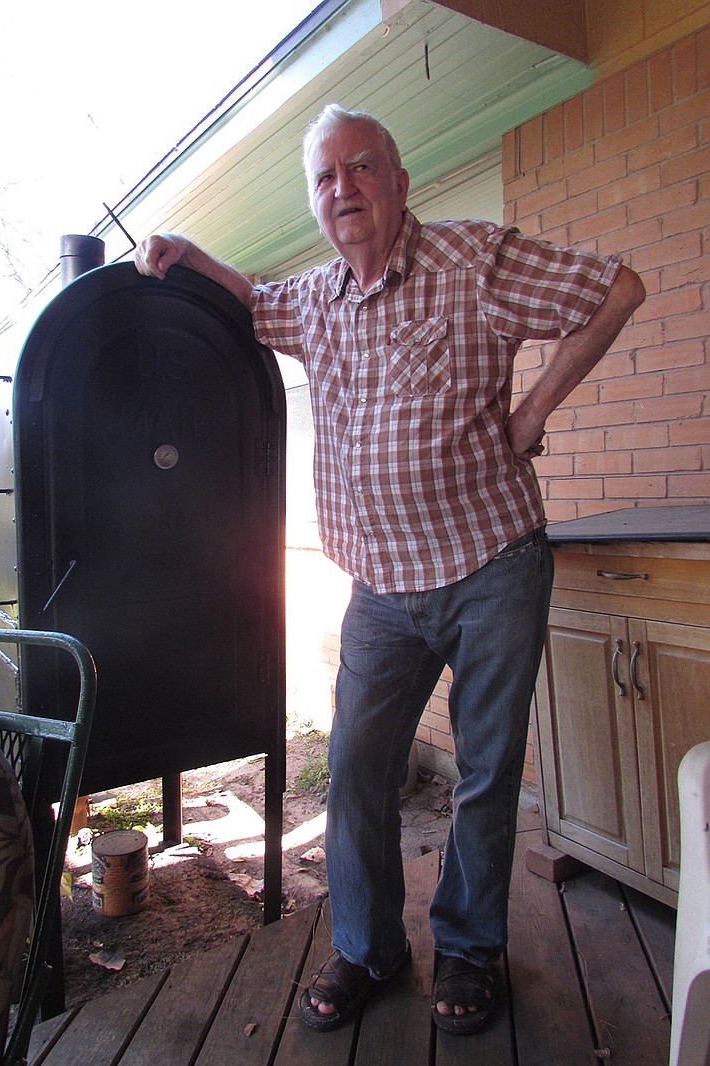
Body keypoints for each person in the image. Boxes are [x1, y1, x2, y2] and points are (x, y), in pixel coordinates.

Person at [135, 103, 646, 1036]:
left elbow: (617, 288)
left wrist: (532, 412)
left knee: (485, 776)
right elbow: (249, 302)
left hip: (494, 565)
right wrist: (186, 251)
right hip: (380, 586)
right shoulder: (317, 302)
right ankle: (370, 946)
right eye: (326, 178)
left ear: (400, 182)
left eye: (361, 167)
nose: (344, 189)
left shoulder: (472, 261)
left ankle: (469, 946)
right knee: (356, 773)